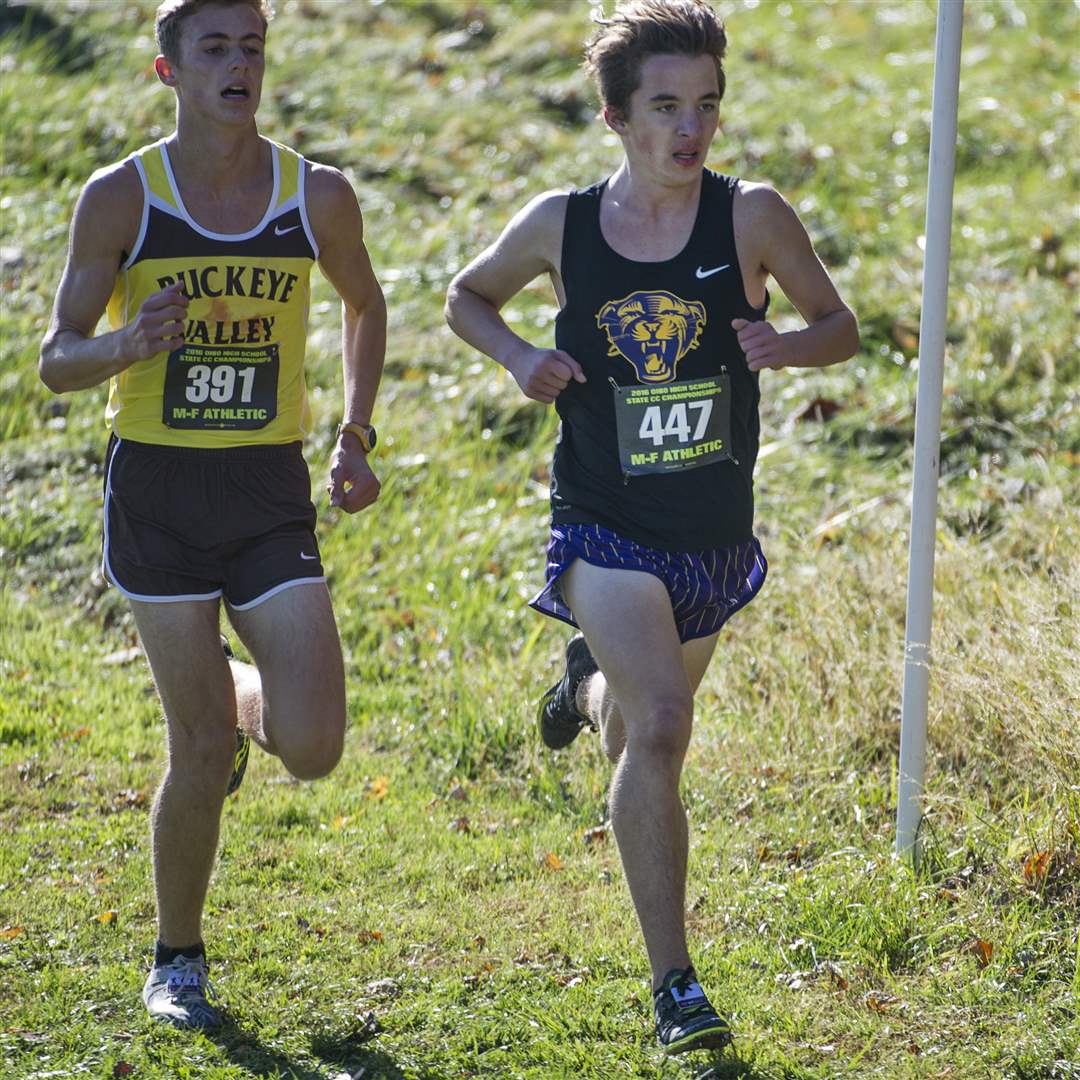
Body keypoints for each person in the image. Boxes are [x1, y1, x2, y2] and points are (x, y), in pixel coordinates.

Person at [445, 0, 857, 1056]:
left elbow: (840, 326)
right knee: (666, 727)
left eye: (707, 105)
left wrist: (785, 348)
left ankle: (583, 685)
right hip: (604, 523)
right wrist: (517, 358)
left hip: (710, 535)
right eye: (666, 106)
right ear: (616, 116)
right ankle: (676, 986)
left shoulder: (751, 215)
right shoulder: (562, 224)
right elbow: (467, 297)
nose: (691, 129)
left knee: (633, 731)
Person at [39, 0, 386, 1030]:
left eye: (253, 47)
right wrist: (124, 347)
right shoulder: (120, 200)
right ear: (168, 70)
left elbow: (365, 305)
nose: (241, 65)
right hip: (157, 492)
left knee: (316, 743)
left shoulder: (314, 195)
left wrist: (355, 435)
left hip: (266, 488)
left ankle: (243, 691)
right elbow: (58, 357)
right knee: (196, 751)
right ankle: (177, 960)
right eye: (216, 49)